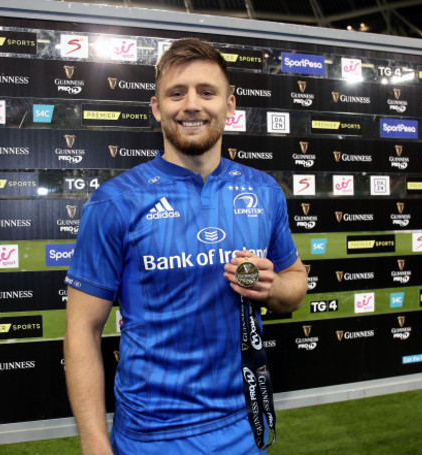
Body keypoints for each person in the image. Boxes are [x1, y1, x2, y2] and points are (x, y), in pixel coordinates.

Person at [64, 38, 307, 455]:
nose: (191, 105)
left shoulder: (263, 191)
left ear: (230, 106)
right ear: (158, 107)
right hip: (151, 435)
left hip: (244, 427)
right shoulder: (114, 202)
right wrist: (94, 443)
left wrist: (273, 288)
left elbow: (295, 284)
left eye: (206, 92)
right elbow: (82, 330)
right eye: (177, 93)